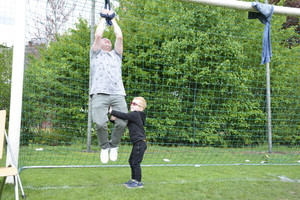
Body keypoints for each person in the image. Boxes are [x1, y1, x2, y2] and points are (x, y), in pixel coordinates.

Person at [90, 9, 127, 164]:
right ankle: (104, 147)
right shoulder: (95, 54)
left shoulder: (116, 55)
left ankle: (114, 145)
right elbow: (98, 35)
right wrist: (102, 19)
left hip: (118, 93)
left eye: (108, 40)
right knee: (99, 123)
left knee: (122, 122)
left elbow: (119, 36)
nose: (107, 40)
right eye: (104, 39)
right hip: (99, 93)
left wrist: (113, 19)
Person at [109, 97, 147, 188]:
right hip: (138, 143)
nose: (131, 105)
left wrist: (112, 111)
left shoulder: (136, 115)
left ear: (140, 108)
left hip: (140, 143)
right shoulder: (134, 116)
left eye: (134, 104)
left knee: (135, 162)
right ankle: (133, 179)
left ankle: (138, 182)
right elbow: (124, 121)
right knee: (131, 161)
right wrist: (112, 119)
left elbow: (124, 116)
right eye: (131, 103)